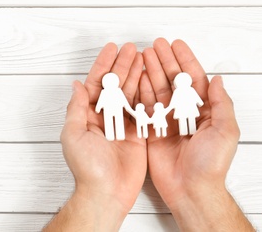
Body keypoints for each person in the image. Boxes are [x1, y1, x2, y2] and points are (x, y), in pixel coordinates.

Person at [42, 39, 255, 231]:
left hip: (177, 113)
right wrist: (97, 192)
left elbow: (130, 102)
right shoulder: (110, 92)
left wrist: (202, 189)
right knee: (116, 124)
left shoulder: (181, 91)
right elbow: (117, 103)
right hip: (117, 115)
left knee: (188, 123)